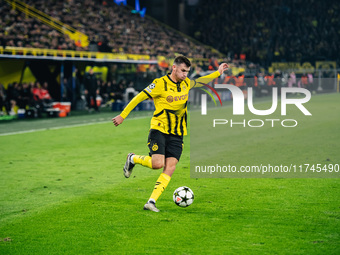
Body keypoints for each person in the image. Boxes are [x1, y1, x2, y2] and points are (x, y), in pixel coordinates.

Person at [112, 55, 228, 212]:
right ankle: (132, 158)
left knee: (170, 167)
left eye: (187, 71)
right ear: (174, 68)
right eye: (182, 71)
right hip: (159, 129)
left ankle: (151, 202)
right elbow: (139, 97)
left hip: (177, 132)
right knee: (157, 164)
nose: (185, 74)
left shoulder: (186, 82)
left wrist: (217, 72)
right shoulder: (160, 84)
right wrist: (123, 115)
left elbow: (201, 81)